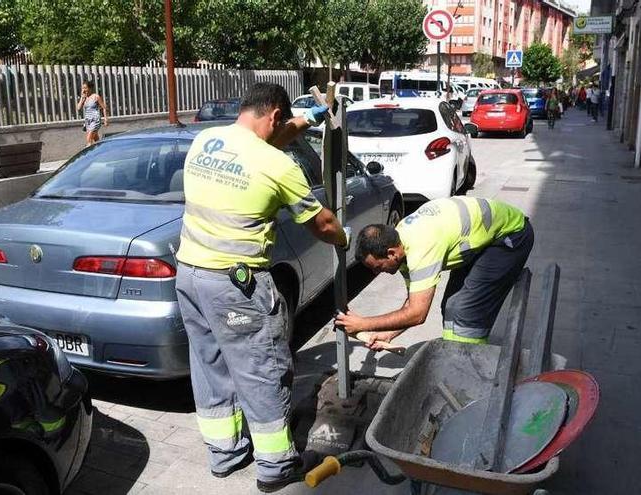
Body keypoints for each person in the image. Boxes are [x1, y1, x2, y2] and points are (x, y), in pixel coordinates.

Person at [174, 83, 347, 493]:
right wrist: (343, 237)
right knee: (261, 369)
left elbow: (263, 147)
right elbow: (321, 224)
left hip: (190, 275)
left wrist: (310, 119)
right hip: (236, 286)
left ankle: (224, 453)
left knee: (210, 365)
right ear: (273, 115)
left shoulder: (207, 139)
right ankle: (276, 464)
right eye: (282, 121)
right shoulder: (279, 167)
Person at [335, 197, 533, 348]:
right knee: (450, 305)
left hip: (511, 237)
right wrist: (388, 334)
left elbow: (417, 314)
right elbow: (412, 304)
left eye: (377, 267)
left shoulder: (421, 247)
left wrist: (363, 324)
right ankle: (457, 354)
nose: (377, 273)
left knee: (464, 312)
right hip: (481, 241)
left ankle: (468, 370)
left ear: (391, 253)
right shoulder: (401, 241)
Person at [77, 80, 108, 146]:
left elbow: (104, 108)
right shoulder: (84, 98)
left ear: (90, 88)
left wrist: (106, 119)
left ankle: (88, 153)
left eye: (85, 88)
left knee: (89, 139)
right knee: (96, 140)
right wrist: (82, 98)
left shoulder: (96, 97)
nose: (84, 90)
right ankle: (102, 149)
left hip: (95, 120)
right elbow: (78, 108)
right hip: (88, 121)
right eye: (83, 88)